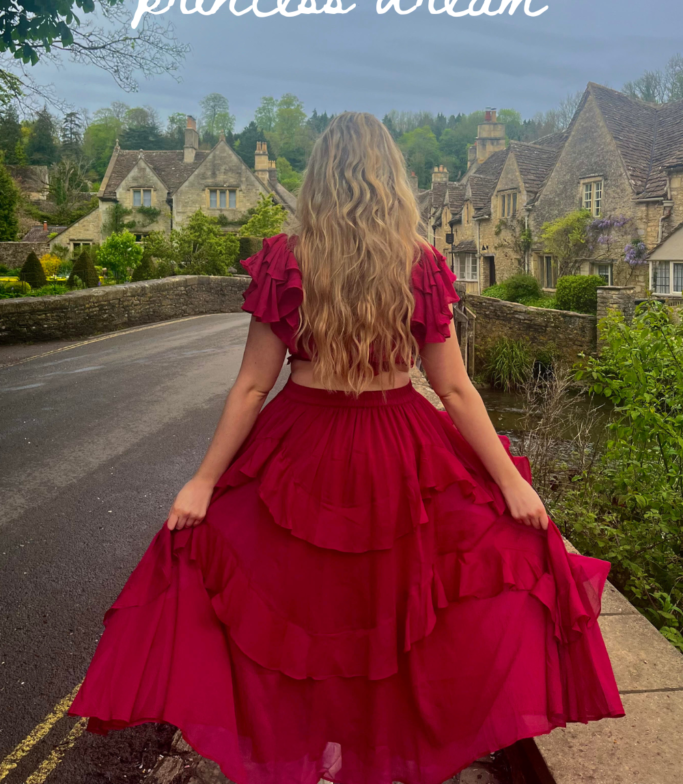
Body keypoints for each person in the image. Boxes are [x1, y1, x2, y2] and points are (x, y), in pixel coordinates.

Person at [70, 112, 623, 784]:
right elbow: (453, 389)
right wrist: (510, 483)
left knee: (304, 613)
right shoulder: (420, 263)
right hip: (401, 445)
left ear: (319, 180)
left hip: (298, 446)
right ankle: (372, 755)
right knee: (393, 615)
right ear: (390, 177)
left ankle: (320, 754)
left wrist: (204, 482)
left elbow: (250, 388)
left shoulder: (285, 258)